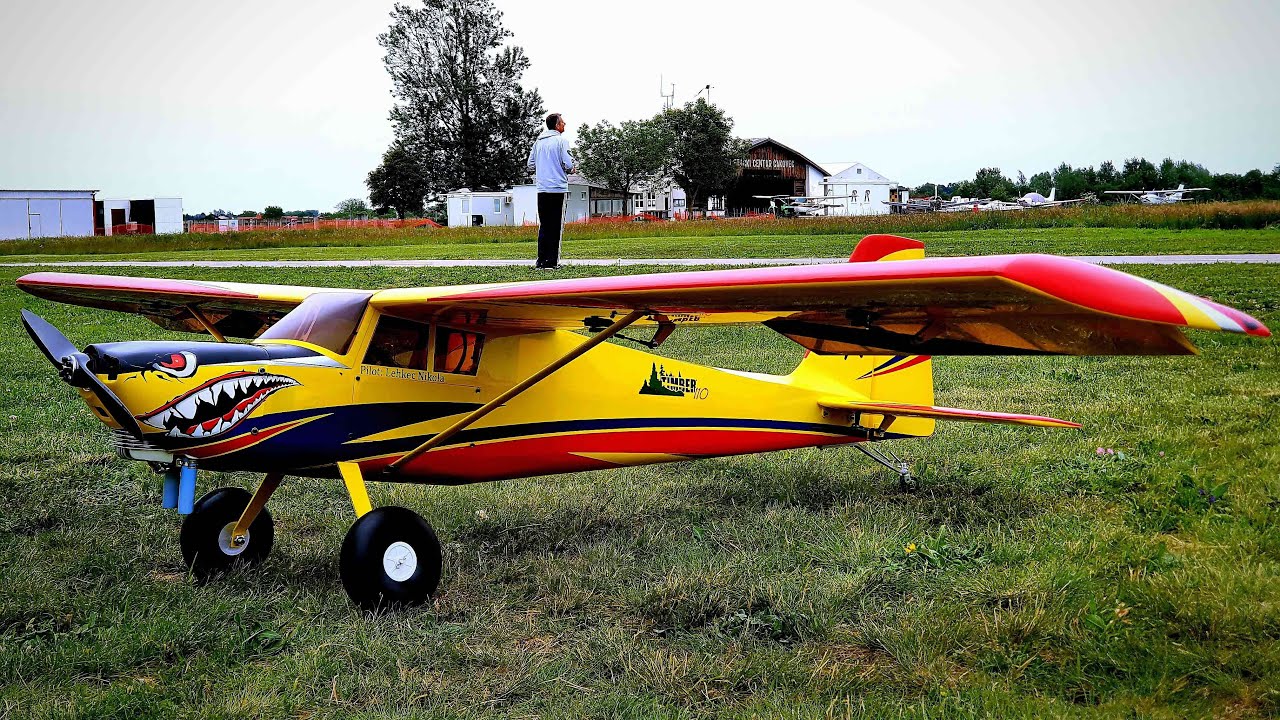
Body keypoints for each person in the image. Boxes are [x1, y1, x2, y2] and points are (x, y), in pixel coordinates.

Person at [526, 112, 575, 269]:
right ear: (557, 125)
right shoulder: (562, 142)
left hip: (542, 188)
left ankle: (541, 260)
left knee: (544, 225)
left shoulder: (538, 142)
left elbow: (530, 165)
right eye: (562, 122)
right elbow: (568, 164)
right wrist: (571, 169)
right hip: (558, 188)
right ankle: (552, 261)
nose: (564, 124)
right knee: (555, 225)